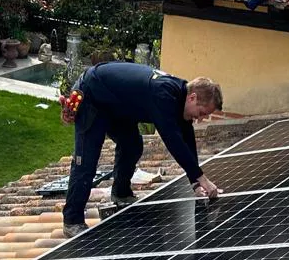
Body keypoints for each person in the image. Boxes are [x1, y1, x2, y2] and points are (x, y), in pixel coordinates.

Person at [62, 62, 224, 236]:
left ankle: (121, 194)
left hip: (118, 104)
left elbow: (187, 137)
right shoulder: (163, 94)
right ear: (192, 98)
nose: (200, 119)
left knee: (132, 145)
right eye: (201, 113)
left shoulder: (180, 95)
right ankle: (72, 220)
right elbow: (174, 141)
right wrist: (202, 178)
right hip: (93, 95)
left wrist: (196, 183)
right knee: (86, 160)